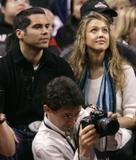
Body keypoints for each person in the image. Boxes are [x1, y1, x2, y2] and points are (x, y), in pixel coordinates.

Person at [0, 7, 74, 160]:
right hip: (13, 132)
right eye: (38, 27)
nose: (46, 31)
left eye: (48, 26)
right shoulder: (3, 67)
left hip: (50, 131)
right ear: (20, 33)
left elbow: (72, 108)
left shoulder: (60, 66)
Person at [69, 11, 136, 159]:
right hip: (82, 133)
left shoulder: (124, 71)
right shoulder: (73, 72)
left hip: (118, 136)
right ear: (83, 37)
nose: (101, 34)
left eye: (105, 30)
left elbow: (132, 118)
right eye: (94, 30)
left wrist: (106, 124)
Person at [32, 76, 97, 160]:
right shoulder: (44, 146)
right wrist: (83, 153)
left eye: (77, 114)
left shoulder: (75, 111)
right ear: (47, 109)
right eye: (67, 116)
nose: (73, 121)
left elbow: (114, 145)